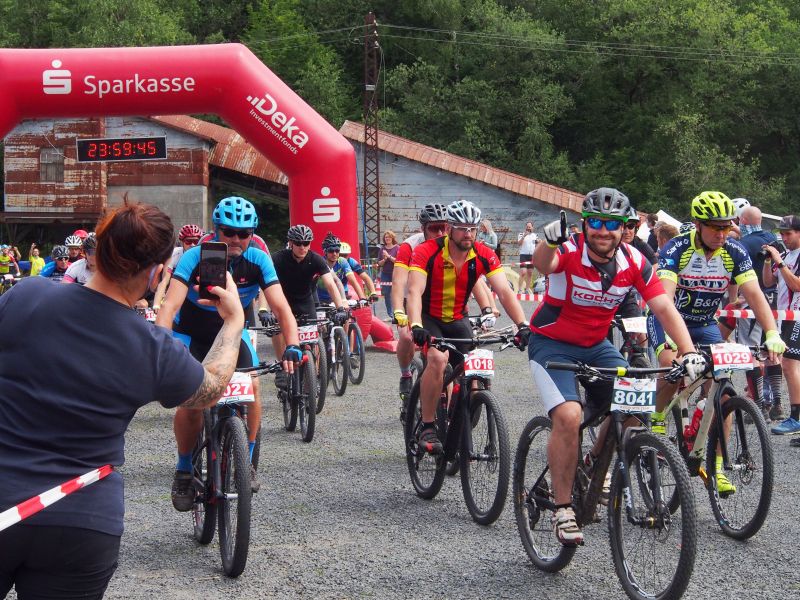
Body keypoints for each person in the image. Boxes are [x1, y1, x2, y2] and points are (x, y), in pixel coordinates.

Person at [0, 202, 242, 599]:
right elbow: (210, 389)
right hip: (81, 516)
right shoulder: (153, 348)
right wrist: (232, 322)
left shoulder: (26, 295)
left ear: (102, 248)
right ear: (155, 272)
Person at [529, 187, 704, 547]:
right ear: (584, 224)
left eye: (611, 224)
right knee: (569, 416)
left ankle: (593, 462)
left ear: (626, 227)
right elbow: (544, 264)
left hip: (596, 346)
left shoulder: (635, 262)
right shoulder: (569, 248)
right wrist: (548, 242)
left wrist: (687, 352)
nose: (602, 231)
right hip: (551, 344)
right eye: (595, 222)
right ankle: (562, 508)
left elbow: (663, 308)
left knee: (638, 403)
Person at [156, 196, 301, 504]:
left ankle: (245, 462)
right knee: (191, 400)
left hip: (233, 332)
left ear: (252, 234)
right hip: (192, 333)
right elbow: (169, 305)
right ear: (216, 230)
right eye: (228, 232)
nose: (236, 239)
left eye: (244, 233)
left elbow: (281, 307)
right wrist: (161, 346)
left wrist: (293, 346)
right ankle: (184, 470)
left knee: (253, 387)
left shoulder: (259, 260)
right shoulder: (194, 257)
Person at [648, 191, 785, 494]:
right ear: (698, 224)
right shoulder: (677, 248)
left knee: (725, 395)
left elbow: (755, 295)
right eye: (715, 227)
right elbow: (665, 301)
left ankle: (718, 466)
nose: (722, 234)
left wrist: (772, 333)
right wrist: (677, 343)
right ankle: (657, 416)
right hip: (669, 320)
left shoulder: (734, 251)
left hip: (705, 324)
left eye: (727, 226)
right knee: (674, 366)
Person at [406, 199, 530, 454]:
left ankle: (462, 412)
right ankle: (428, 424)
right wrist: (416, 324)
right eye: (462, 228)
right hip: (429, 317)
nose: (468, 234)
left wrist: (522, 324)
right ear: (450, 228)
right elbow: (415, 291)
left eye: (473, 228)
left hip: (458, 318)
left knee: (476, 363)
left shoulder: (484, 254)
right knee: (438, 360)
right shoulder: (427, 251)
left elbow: (504, 292)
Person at [267, 225, 349, 379]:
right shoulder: (277, 258)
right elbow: (265, 285)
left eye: (306, 243)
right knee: (276, 330)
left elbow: (331, 284)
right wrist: (264, 310)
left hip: (305, 301)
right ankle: (281, 367)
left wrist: (340, 308)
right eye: (298, 243)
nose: (302, 247)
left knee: (311, 340)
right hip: (283, 301)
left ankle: (312, 375)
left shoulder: (316, 259)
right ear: (291, 243)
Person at [392, 204, 449, 411]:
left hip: (439, 303)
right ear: (423, 228)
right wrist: (398, 309)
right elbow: (398, 282)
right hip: (413, 300)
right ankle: (406, 374)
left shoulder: (452, 244)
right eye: (435, 228)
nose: (441, 233)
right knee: (407, 337)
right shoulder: (410, 246)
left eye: (445, 227)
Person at [737, 204, 783, 420]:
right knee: (773, 350)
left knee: (752, 351)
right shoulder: (775, 238)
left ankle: (758, 406)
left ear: (743, 221)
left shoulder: (743, 243)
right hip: (776, 301)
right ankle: (777, 403)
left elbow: (735, 276)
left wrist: (734, 299)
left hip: (753, 301)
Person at [762, 215, 800, 437]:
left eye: (788, 233)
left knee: (788, 364)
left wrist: (780, 262)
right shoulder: (785, 254)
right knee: (789, 365)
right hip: (785, 316)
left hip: (797, 315)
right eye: (782, 234)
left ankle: (796, 417)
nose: (784, 238)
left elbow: (796, 284)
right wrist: (768, 260)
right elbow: (768, 282)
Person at [154, 223, 202, 310]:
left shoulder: (203, 254)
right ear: (182, 242)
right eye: (188, 241)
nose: (192, 245)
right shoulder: (175, 254)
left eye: (195, 241)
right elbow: (164, 281)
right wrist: (156, 304)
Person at [377, 230, 399, 318]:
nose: (387, 239)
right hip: (385, 274)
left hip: (395, 273)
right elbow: (379, 263)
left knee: (396, 293)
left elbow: (398, 261)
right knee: (386, 293)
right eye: (386, 237)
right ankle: (390, 313)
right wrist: (384, 259)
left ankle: (397, 311)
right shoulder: (382, 249)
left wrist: (389, 256)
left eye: (389, 237)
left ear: (392, 238)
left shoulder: (397, 248)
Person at [517, 221, 538, 294]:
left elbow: (537, 244)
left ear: (532, 227)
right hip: (523, 255)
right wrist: (524, 236)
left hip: (532, 255)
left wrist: (539, 242)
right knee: (523, 272)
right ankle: (519, 289)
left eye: (530, 227)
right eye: (527, 227)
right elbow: (519, 244)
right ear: (525, 227)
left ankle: (527, 289)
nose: (528, 228)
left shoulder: (535, 235)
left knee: (530, 273)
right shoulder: (521, 234)